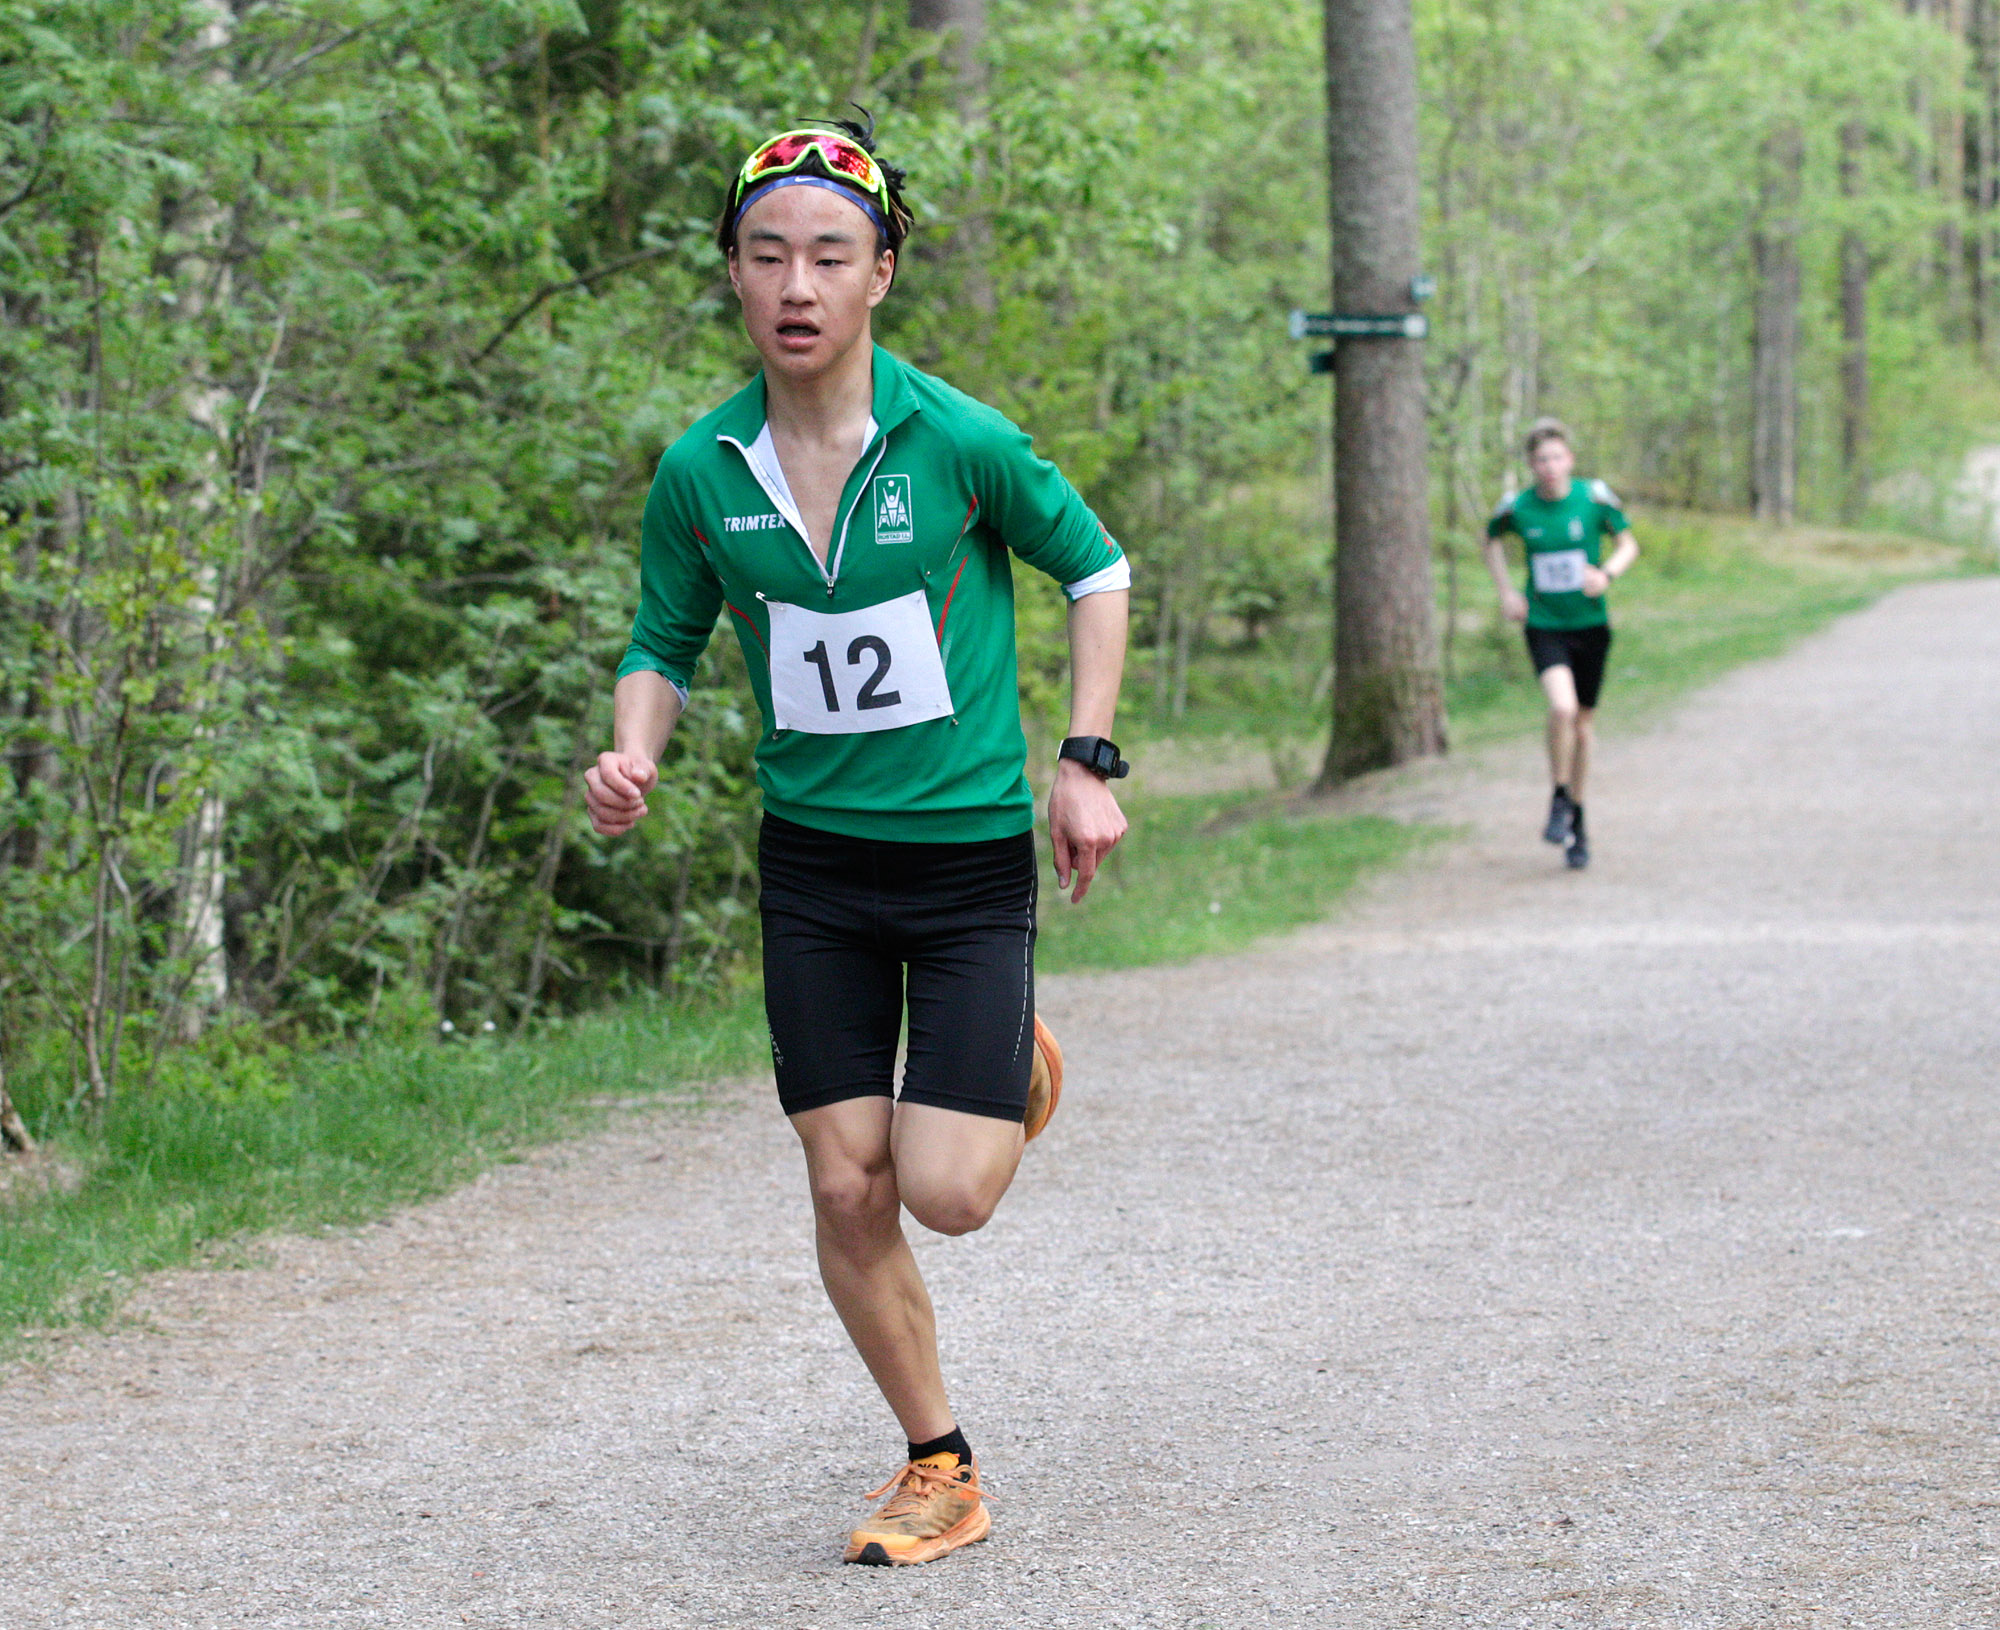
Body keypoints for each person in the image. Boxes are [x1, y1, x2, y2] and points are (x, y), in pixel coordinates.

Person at [582, 118, 1132, 1567]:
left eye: (830, 255)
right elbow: (661, 638)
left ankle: (1006, 1060)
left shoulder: (955, 439)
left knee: (946, 1192)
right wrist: (635, 751)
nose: (797, 285)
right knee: (845, 1182)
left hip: (962, 861)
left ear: (879, 274)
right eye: (768, 255)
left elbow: (1096, 568)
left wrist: (1083, 759)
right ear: (733, 273)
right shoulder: (702, 468)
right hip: (814, 867)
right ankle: (938, 1462)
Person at [1481, 418, 1639, 870]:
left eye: (1556, 457)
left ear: (1569, 459)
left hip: (1590, 624)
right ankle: (1558, 794)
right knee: (1562, 708)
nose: (1549, 467)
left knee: (1583, 728)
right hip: (1544, 624)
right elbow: (1489, 541)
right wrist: (1507, 592)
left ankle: (1577, 819)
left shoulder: (1593, 500)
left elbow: (1628, 545)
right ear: (1531, 466)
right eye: (1540, 460)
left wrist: (1606, 574)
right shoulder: (1518, 507)